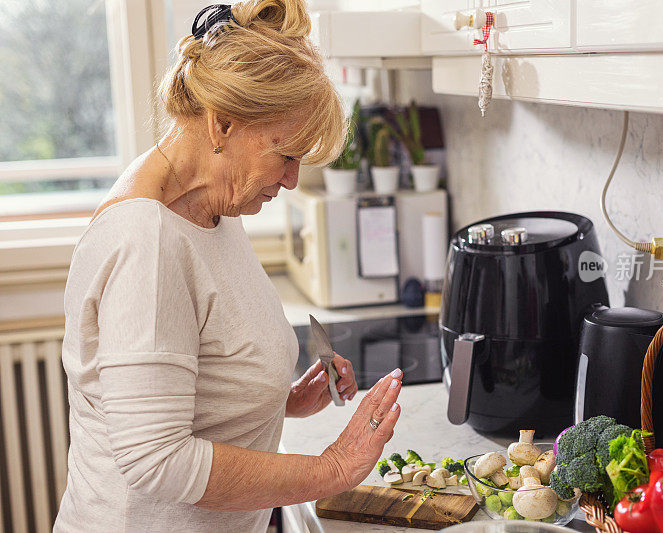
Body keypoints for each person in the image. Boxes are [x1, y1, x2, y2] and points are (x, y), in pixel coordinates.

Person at [54, 1, 402, 531]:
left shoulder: (210, 204)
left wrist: (276, 400)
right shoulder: (146, 239)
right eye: (286, 155)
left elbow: (185, 374)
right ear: (223, 123)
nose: (290, 180)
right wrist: (333, 467)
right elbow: (156, 459)